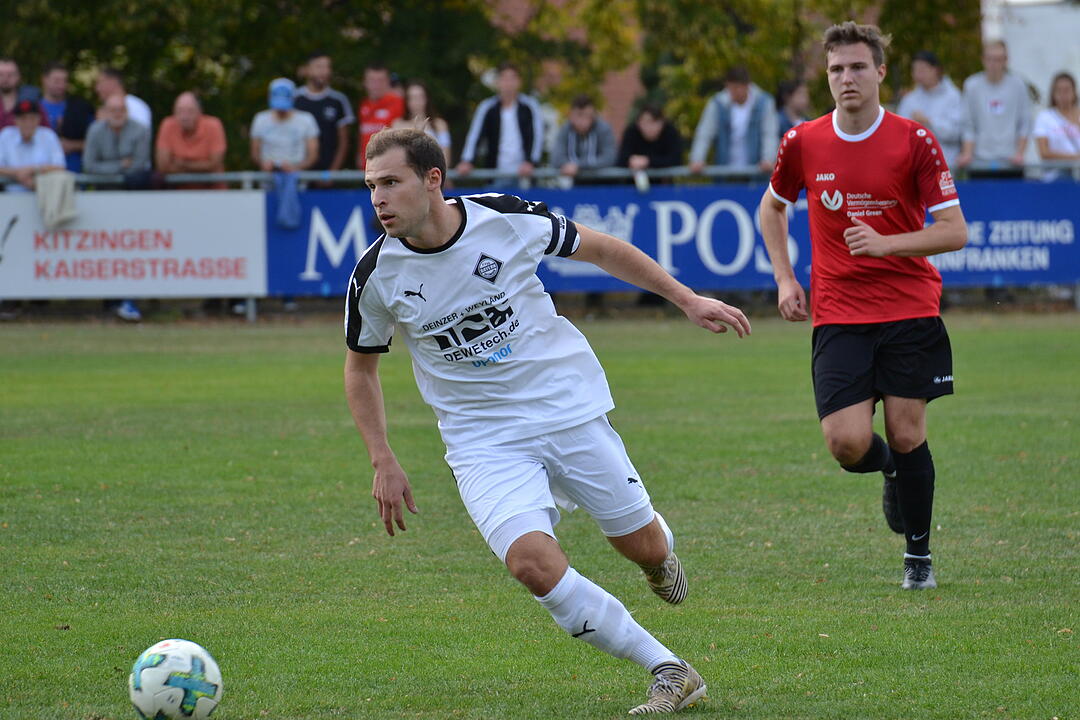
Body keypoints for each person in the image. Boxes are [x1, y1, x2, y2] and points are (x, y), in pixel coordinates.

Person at [347, 128, 750, 714]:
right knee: (531, 565)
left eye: (391, 182)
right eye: (370, 187)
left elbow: (604, 249)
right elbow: (361, 371)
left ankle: (660, 555)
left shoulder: (503, 219)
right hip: (482, 440)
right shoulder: (375, 274)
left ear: (433, 180)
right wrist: (382, 456)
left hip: (566, 408)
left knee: (640, 545)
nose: (379, 198)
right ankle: (669, 669)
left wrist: (687, 299)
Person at [758, 21, 967, 591]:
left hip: (908, 307)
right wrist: (784, 278)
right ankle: (891, 471)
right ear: (827, 78)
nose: (846, 78)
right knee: (847, 444)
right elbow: (771, 209)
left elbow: (954, 231)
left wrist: (887, 243)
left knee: (906, 429)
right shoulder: (804, 141)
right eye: (835, 69)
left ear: (879, 72)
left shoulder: (914, 139)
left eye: (856, 67)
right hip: (840, 313)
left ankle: (918, 560)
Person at [84, 93, 152, 322]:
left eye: (121, 110)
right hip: (104, 203)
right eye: (113, 110)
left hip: (134, 205)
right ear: (104, 111)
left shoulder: (139, 130)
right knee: (107, 253)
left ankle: (130, 300)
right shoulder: (95, 131)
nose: (117, 114)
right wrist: (120, 166)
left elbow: (139, 166)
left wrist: (109, 169)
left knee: (134, 252)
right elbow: (89, 167)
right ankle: (112, 300)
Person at [456, 62, 544, 180]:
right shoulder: (487, 107)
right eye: (504, 78)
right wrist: (467, 160)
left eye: (512, 78)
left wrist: (531, 162)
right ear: (497, 82)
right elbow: (475, 135)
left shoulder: (530, 106)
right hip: (495, 172)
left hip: (523, 174)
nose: (508, 83)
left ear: (519, 82)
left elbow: (537, 135)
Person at [956, 40, 1032, 173]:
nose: (993, 64)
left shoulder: (1018, 85)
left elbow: (1025, 123)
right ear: (983, 60)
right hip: (979, 161)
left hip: (1011, 162)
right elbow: (968, 124)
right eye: (989, 59)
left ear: (1006, 60)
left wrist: (1020, 152)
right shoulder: (972, 85)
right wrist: (967, 153)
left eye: (998, 59)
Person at [689, 66, 778, 175]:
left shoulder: (764, 103)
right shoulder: (718, 104)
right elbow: (705, 133)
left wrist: (768, 159)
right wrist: (697, 159)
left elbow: (769, 133)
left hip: (756, 173)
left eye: (738, 88)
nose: (734, 92)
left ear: (747, 86)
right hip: (724, 172)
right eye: (731, 88)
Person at [897, 51, 964, 168]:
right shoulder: (909, 100)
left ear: (935, 70)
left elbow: (956, 133)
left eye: (922, 69)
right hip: (916, 166)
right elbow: (899, 134)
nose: (918, 74)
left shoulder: (953, 96)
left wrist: (929, 121)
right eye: (915, 70)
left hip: (946, 166)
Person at [294, 51, 354, 174]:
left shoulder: (338, 100)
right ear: (307, 70)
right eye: (319, 67)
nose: (325, 71)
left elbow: (344, 141)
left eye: (328, 67)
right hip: (298, 174)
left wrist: (332, 173)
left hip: (328, 174)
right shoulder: (294, 99)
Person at [250, 78, 319, 173]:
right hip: (268, 179)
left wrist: (296, 168)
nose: (281, 111)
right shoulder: (260, 119)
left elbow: (313, 155)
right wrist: (263, 164)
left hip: (298, 180)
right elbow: (255, 153)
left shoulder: (306, 119)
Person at [155, 92, 227, 182]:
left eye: (190, 111)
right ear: (173, 112)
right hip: (176, 190)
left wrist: (182, 164)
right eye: (180, 111)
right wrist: (201, 166)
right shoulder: (167, 125)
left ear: (200, 112)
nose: (184, 117)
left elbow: (214, 164)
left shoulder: (213, 125)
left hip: (210, 189)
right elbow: (163, 166)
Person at [39, 62, 96, 172]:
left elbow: (97, 142)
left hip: (74, 174)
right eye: (56, 81)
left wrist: (73, 145)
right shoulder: (30, 110)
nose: (61, 85)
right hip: (39, 176)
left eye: (64, 81)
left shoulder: (80, 108)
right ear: (44, 80)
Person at [0, 99, 65, 192]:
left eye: (32, 118)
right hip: (9, 198)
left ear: (39, 119)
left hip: (44, 197)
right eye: (23, 118)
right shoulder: (6, 135)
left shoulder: (48, 135)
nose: (28, 123)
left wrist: (32, 170)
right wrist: (17, 174)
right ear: (15, 120)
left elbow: (60, 166)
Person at [550, 94, 617, 184]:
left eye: (587, 116)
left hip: (601, 184)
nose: (583, 121)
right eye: (579, 115)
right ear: (571, 115)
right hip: (573, 185)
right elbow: (556, 158)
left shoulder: (604, 129)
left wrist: (578, 166)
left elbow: (609, 158)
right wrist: (568, 166)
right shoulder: (565, 129)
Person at [1032, 72, 1080, 179]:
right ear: (1053, 93)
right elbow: (1044, 153)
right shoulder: (1045, 117)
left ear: (1074, 92)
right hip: (1056, 174)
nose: (1063, 95)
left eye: (1067, 90)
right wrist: (1075, 158)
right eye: (1059, 90)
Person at [391, 80, 451, 166]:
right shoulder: (397, 125)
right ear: (407, 101)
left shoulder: (440, 124)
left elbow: (446, 158)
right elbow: (394, 156)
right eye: (412, 97)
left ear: (427, 99)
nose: (416, 102)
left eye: (420, 97)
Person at [356, 63, 404, 168]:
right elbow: (362, 132)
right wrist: (359, 155)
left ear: (388, 82)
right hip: (366, 169)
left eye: (380, 81)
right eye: (372, 80)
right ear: (365, 82)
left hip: (389, 168)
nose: (376, 85)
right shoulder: (364, 105)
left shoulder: (398, 103)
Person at [617, 104, 684, 171]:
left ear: (663, 123)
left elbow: (676, 159)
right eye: (646, 122)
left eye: (655, 122)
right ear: (638, 122)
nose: (650, 127)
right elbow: (622, 159)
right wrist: (631, 161)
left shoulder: (670, 132)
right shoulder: (631, 132)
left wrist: (647, 161)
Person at [0, 58, 46, 129]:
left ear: (18, 77)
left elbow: (46, 132)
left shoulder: (31, 101)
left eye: (10, 75)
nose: (5, 78)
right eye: (1, 74)